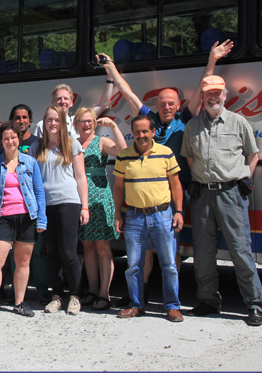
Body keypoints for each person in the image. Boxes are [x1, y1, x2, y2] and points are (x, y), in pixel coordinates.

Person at [102, 40, 233, 305]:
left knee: (170, 248)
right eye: (163, 103)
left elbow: (202, 86)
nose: (167, 107)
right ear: (156, 106)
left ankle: (170, 298)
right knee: (146, 251)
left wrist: (212, 59)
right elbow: (128, 95)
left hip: (174, 192)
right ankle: (142, 292)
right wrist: (112, 70)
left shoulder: (185, 119)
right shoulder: (148, 121)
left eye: (171, 103)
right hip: (145, 192)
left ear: (178, 105)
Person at [181, 75, 262, 326]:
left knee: (240, 251)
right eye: (208, 93)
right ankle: (208, 301)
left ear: (224, 95)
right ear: (203, 96)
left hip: (231, 194)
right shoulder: (192, 126)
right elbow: (189, 159)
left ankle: (255, 305)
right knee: (203, 252)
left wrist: (244, 180)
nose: (213, 97)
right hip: (202, 195)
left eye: (217, 93)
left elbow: (253, 155)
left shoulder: (239, 122)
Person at [113, 115, 184, 322]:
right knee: (134, 265)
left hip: (162, 215)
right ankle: (136, 305)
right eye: (137, 132)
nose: (141, 136)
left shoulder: (165, 153)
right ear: (132, 133)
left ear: (153, 132)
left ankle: (172, 306)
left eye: (145, 131)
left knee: (169, 264)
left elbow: (176, 184)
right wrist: (118, 214)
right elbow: (118, 188)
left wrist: (178, 211)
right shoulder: (124, 156)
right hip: (134, 216)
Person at [0, 122, 46, 321]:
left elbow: (39, 192)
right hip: (2, 218)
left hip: (27, 217)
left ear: (19, 138)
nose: (10, 141)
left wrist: (42, 219)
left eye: (13, 137)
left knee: (22, 261)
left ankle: (19, 303)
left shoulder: (30, 163)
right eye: (6, 138)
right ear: (1, 140)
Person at [32, 106, 89, 315]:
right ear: (44, 123)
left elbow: (81, 177)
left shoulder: (72, 145)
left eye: (56, 120)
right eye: (49, 120)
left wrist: (85, 206)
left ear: (62, 122)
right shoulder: (36, 147)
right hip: (45, 205)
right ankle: (57, 296)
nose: (53, 124)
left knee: (68, 252)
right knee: (52, 252)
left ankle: (75, 295)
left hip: (68, 202)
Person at [73, 108, 127, 311]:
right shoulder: (74, 143)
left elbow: (122, 151)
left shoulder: (101, 141)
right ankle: (92, 290)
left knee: (102, 247)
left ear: (94, 123)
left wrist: (113, 126)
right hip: (80, 198)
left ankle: (104, 292)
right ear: (76, 123)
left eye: (89, 121)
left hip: (100, 198)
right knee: (87, 247)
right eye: (82, 121)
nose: (86, 124)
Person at [10, 103, 49, 304]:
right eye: (17, 117)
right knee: (13, 252)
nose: (21, 121)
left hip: (32, 205)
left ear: (31, 121)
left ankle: (42, 289)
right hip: (12, 205)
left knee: (38, 250)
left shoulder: (38, 143)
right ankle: (14, 291)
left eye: (25, 117)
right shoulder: (7, 142)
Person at [33, 80, 114, 139]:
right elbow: (36, 150)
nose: (62, 101)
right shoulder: (42, 125)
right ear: (53, 102)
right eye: (59, 99)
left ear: (71, 103)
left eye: (66, 98)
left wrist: (110, 79)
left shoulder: (78, 121)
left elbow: (104, 104)